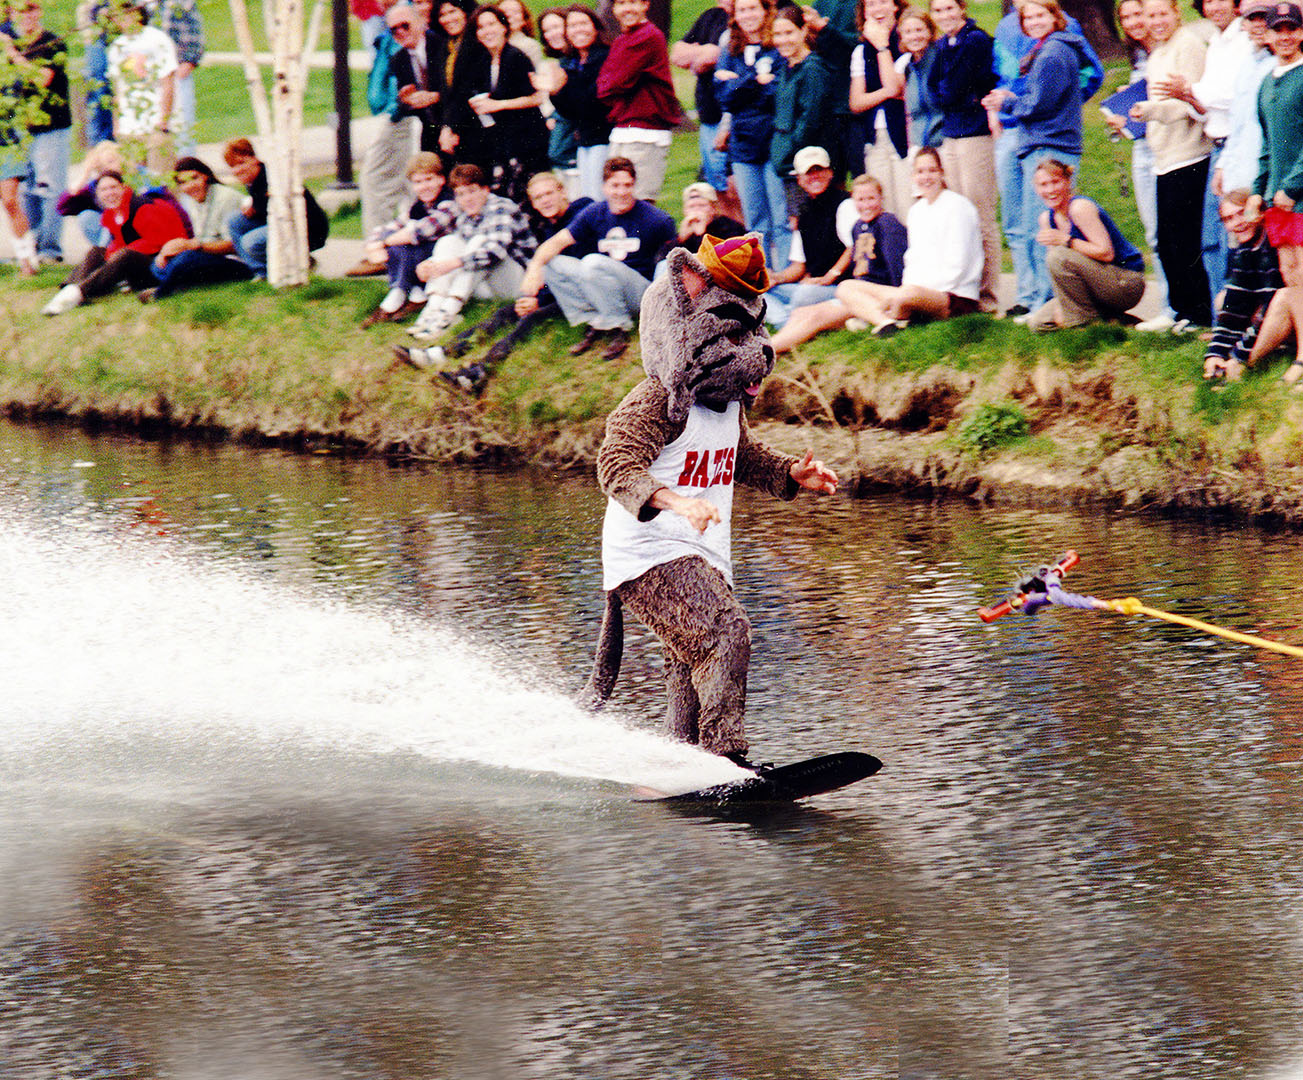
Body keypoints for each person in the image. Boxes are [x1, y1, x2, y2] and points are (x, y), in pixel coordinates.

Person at [584, 233, 839, 767]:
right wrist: (675, 502)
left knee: (689, 660)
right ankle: (725, 759)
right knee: (727, 631)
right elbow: (615, 463)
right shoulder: (659, 397)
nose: (754, 359)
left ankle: (680, 764)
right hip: (649, 549)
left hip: (702, 550)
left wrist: (791, 474)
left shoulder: (724, 404)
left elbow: (742, 458)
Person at [988, 0, 1103, 318]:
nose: (1035, 21)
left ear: (1055, 16)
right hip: (1040, 141)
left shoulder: (1054, 50)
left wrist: (1008, 104)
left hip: (1049, 144)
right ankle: (1038, 300)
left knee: (1043, 227)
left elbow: (1040, 103)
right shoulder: (1044, 47)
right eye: (1029, 17)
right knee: (1031, 224)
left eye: (1041, 14)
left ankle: (1046, 305)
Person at [431, 169, 595, 389]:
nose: (545, 201)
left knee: (532, 317)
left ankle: (479, 372)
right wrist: (538, 296)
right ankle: (447, 350)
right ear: (533, 204)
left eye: (549, 194)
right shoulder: (549, 227)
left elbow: (576, 266)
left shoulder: (583, 210)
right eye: (538, 198)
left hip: (593, 290)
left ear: (563, 192)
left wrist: (540, 301)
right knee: (508, 311)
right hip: (567, 290)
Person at [516, 155, 675, 360]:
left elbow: (670, 264)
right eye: (614, 185)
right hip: (603, 286)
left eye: (627, 185)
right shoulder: (594, 212)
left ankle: (619, 326)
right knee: (553, 263)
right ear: (604, 187)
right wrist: (535, 267)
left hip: (639, 293)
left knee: (593, 262)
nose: (621, 192)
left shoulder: (657, 219)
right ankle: (595, 321)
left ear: (634, 186)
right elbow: (555, 243)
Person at [1151, 0, 1250, 306]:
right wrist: (1191, 96)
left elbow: (1237, 97)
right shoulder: (1217, 43)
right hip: (1218, 143)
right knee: (1211, 239)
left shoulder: (1243, 40)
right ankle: (1220, 315)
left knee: (1232, 236)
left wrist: (1191, 91)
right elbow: (1206, 108)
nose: (1215, 6)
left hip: (1235, 145)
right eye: (1208, 0)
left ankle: (1233, 315)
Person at [1129, 0, 1213, 328]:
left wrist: (1149, 111)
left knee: (1184, 238)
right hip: (1164, 156)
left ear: (1176, 12)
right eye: (1151, 15)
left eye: (1163, 13)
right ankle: (1180, 310)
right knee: (1167, 239)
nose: (1157, 20)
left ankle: (1197, 313)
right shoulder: (1158, 52)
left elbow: (1187, 104)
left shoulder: (1188, 45)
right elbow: (1160, 102)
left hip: (1189, 153)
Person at [834, 146, 980, 333]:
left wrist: (912, 294)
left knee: (907, 295)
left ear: (942, 173)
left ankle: (879, 314)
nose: (926, 177)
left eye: (932, 170)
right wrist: (906, 291)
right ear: (913, 176)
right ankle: (886, 323)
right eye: (920, 171)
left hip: (953, 295)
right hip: (916, 292)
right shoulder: (916, 211)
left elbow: (959, 265)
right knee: (845, 288)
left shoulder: (958, 206)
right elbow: (912, 260)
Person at [395, 162, 537, 344]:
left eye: (472, 191)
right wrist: (431, 264)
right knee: (449, 241)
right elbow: (456, 251)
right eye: (461, 194)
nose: (467, 199)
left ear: (485, 190)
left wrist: (452, 264)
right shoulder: (464, 213)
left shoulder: (501, 206)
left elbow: (494, 251)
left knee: (479, 243)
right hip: (485, 284)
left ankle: (448, 311)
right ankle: (434, 308)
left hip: (518, 284)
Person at [769, 172, 906, 350]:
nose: (866, 205)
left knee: (813, 316)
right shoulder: (859, 227)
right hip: (856, 294)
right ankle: (768, 351)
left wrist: (897, 306)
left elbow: (898, 269)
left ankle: (765, 353)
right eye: (860, 200)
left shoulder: (887, 223)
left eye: (871, 198)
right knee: (799, 313)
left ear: (881, 198)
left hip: (873, 297)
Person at [1106, 0, 1177, 331]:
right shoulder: (1137, 55)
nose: (1133, 22)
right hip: (1143, 146)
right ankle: (1169, 305)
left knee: (1174, 231)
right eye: (1126, 17)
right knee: (1154, 231)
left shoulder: (1165, 51)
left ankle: (1181, 307)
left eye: (1138, 14)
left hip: (1171, 147)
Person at [928, 0, 999, 312]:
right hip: (951, 133)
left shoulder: (975, 40)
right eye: (938, 10)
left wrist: (951, 93)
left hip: (975, 133)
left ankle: (988, 296)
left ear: (962, 8)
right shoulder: (942, 44)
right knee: (957, 216)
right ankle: (963, 294)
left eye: (949, 9)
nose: (944, 16)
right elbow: (932, 90)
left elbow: (955, 88)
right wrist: (949, 92)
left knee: (979, 215)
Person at [41, 170, 189, 314]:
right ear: (97, 195)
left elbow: (158, 242)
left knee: (125, 255)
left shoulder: (143, 208)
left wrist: (117, 256)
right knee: (97, 251)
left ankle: (80, 292)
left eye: (113, 187)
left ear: (124, 188)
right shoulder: (111, 214)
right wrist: (110, 256)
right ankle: (70, 288)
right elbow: (117, 243)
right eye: (103, 190)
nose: (109, 193)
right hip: (141, 262)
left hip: (164, 267)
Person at [442, 5, 549, 203]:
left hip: (526, 140)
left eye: (492, 24)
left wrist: (498, 105)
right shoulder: (483, 60)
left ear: (504, 27)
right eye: (480, 27)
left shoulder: (516, 57)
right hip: (500, 141)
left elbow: (536, 97)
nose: (486, 31)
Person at [1026, 158, 1146, 330]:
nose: (1050, 190)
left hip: (1124, 280)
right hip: (1092, 283)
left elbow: (1106, 253)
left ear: (1067, 181)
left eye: (1055, 182)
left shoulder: (1080, 207)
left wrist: (1066, 240)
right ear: (1036, 188)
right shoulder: (1047, 219)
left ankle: (1082, 327)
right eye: (1043, 185)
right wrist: (1062, 304)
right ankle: (1120, 323)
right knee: (1039, 323)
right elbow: (1059, 274)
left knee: (1058, 256)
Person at [713, 0, 788, 268]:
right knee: (755, 218)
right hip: (743, 144)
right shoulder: (730, 51)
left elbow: (776, 94)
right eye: (742, 9)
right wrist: (755, 79)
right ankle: (762, 274)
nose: (748, 15)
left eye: (753, 8)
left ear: (765, 11)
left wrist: (738, 81)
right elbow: (724, 98)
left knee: (780, 216)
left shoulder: (776, 47)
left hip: (772, 142)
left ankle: (783, 273)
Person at [596, 0, 682, 202]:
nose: (627, 9)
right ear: (614, 9)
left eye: (633, 2)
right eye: (621, 3)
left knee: (638, 200)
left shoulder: (647, 36)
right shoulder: (623, 39)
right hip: (625, 128)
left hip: (645, 131)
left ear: (645, 4)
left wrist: (608, 83)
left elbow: (614, 83)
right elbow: (604, 82)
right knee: (617, 199)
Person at [7, 0, 71, 266]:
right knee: (27, 190)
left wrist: (12, 53)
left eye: (31, 9)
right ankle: (31, 246)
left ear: (39, 11)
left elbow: (42, 78)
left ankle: (50, 248)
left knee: (51, 188)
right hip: (22, 128)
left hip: (51, 127)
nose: (26, 16)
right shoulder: (10, 42)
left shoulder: (52, 43)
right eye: (20, 11)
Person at [360, 151, 452, 327]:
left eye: (429, 179)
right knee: (396, 240)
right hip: (420, 259)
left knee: (403, 243)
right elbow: (393, 225)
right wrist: (373, 243)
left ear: (441, 179)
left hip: (442, 259)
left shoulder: (448, 202)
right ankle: (415, 294)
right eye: (418, 182)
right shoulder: (418, 205)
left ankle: (398, 293)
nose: (424, 186)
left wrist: (383, 242)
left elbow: (422, 230)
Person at [139, 156, 251, 301]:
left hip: (237, 260)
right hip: (208, 256)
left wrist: (194, 246)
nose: (190, 186)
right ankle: (181, 282)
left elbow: (234, 246)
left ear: (205, 176)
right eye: (183, 183)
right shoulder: (193, 201)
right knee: (158, 264)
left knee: (185, 260)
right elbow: (199, 239)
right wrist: (169, 251)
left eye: (194, 178)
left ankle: (161, 293)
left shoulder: (225, 198)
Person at [1247, 0, 1303, 287]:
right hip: (1277, 199)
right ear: (1267, 36)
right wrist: (1259, 190)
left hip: (1297, 196)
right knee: (1290, 274)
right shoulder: (1266, 84)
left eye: (1291, 29)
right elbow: (1268, 145)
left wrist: (1293, 186)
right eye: (1277, 30)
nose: (1285, 37)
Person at [764, 145, 849, 326]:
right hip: (814, 285)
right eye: (809, 172)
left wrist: (830, 277)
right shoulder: (804, 214)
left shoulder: (845, 203)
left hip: (841, 286)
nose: (815, 176)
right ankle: (789, 318)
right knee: (763, 291)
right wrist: (775, 278)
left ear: (830, 172)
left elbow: (853, 247)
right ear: (799, 179)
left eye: (820, 169)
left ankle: (787, 321)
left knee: (804, 294)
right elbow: (798, 266)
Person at [223, 137, 330, 279]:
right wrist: (254, 205)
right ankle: (261, 272)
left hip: (307, 228)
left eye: (241, 163)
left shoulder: (273, 177)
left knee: (250, 242)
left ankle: (299, 262)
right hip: (283, 222)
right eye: (232, 166)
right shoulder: (254, 178)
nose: (237, 170)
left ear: (254, 158)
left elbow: (284, 209)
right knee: (234, 221)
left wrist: (256, 206)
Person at [1202, 189, 1282, 378]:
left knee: (1280, 300)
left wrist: (1238, 354)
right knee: (1224, 300)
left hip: (1288, 314)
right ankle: (1231, 359)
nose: (1237, 223)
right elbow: (1233, 307)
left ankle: (1243, 363)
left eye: (1241, 213)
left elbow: (1270, 307)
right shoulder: (1244, 250)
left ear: (1258, 211)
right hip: (1270, 316)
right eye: (1228, 219)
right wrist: (1215, 353)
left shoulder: (1272, 243)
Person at [768, 4, 836, 200]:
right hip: (788, 165)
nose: (783, 40)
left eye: (789, 33)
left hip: (808, 165)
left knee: (805, 221)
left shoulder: (813, 69)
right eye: (777, 34)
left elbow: (809, 121)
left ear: (803, 30)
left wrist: (788, 154)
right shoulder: (786, 68)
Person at [543, 4, 611, 199]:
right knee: (588, 197)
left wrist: (561, 87)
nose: (578, 29)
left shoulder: (604, 56)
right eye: (572, 25)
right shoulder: (571, 62)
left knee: (599, 198)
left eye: (583, 23)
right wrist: (555, 92)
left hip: (603, 138)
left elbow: (594, 103)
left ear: (595, 27)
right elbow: (570, 113)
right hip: (585, 141)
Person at [850, 0, 909, 218]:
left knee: (906, 203)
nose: (877, 10)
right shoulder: (861, 51)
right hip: (875, 137)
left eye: (883, 2)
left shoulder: (906, 41)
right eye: (870, 5)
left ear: (895, 6)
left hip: (904, 134)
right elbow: (856, 102)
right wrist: (887, 92)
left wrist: (883, 45)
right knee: (886, 207)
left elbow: (897, 86)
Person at [105, 0, 178, 174]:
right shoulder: (116, 47)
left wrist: (163, 122)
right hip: (128, 127)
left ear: (136, 14)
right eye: (115, 16)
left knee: (161, 179)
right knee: (134, 183)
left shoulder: (157, 39)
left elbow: (167, 83)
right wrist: (117, 125)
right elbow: (117, 90)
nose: (120, 20)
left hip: (154, 124)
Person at [671, 0, 732, 201]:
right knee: (716, 188)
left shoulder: (746, 17)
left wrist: (704, 54)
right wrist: (705, 54)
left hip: (731, 119)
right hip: (708, 118)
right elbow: (677, 54)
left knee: (734, 189)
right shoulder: (711, 16)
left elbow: (717, 54)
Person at [388, 0, 445, 152]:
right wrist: (405, 100)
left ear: (420, 22)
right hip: (429, 131)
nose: (400, 32)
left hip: (456, 124)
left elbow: (461, 89)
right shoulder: (398, 59)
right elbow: (406, 107)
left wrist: (436, 96)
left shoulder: (442, 46)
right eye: (394, 29)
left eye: (405, 25)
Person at [152, 0, 204, 154]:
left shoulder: (182, 3)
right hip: (150, 75)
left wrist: (189, 61)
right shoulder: (141, 4)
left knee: (182, 123)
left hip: (177, 72)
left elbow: (195, 31)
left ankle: (185, 165)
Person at [657, 181, 746, 264]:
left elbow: (717, 260)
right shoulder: (687, 230)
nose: (696, 210)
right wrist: (681, 239)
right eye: (691, 206)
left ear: (713, 208)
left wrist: (701, 235)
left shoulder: (729, 227)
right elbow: (662, 259)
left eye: (702, 206)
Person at [896, 7, 943, 153]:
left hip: (943, 143)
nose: (914, 36)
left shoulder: (941, 60)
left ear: (929, 32)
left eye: (919, 30)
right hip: (919, 146)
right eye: (908, 32)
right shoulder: (908, 68)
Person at [500, 0, 544, 67]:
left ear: (524, 20)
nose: (509, 15)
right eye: (504, 12)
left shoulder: (530, 46)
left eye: (515, 12)